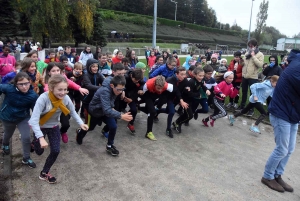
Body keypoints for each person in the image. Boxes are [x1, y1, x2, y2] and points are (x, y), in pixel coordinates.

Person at [29, 74, 88, 184]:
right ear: (51, 88)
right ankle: (33, 144)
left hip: (54, 126)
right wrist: (41, 138)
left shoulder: (65, 98)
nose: (63, 92)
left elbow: (72, 111)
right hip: (40, 127)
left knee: (56, 150)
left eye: (65, 89)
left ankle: (44, 173)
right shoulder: (43, 98)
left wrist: (81, 123)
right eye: (60, 89)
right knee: (39, 152)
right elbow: (33, 120)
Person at [261, 49, 300, 193]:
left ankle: (277, 175)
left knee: (289, 149)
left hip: (293, 114)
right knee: (282, 149)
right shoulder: (297, 66)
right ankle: (267, 176)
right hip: (281, 112)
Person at [77, 75, 132, 156]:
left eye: (122, 89)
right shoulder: (105, 91)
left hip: (105, 111)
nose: (120, 91)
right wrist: (121, 116)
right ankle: (80, 133)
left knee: (113, 126)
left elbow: (109, 105)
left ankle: (109, 146)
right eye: (119, 90)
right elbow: (107, 110)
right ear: (112, 86)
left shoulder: (116, 87)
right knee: (89, 128)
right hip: (95, 112)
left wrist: (114, 108)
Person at [1, 72, 38, 168]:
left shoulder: (33, 96)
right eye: (21, 84)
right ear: (16, 84)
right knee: (8, 134)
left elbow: (35, 111)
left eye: (26, 83)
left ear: (30, 82)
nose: (24, 87)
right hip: (8, 116)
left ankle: (26, 158)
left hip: (23, 118)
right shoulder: (9, 89)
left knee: (26, 137)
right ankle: (5, 144)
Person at [173, 67, 209, 132]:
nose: (201, 77)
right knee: (190, 115)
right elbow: (189, 94)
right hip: (186, 100)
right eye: (200, 75)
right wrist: (198, 94)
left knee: (188, 114)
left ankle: (176, 122)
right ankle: (177, 123)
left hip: (192, 100)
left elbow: (202, 86)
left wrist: (206, 90)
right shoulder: (191, 82)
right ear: (194, 74)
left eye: (203, 75)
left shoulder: (201, 80)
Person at [155, 67, 189, 137]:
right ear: (176, 74)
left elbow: (187, 86)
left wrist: (188, 88)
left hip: (176, 99)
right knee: (172, 112)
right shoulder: (170, 80)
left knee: (168, 111)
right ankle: (168, 129)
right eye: (181, 74)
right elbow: (176, 90)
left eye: (185, 74)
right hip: (168, 98)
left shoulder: (185, 80)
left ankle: (156, 111)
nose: (184, 76)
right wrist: (181, 100)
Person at [139, 75, 173, 140]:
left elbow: (174, 91)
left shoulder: (168, 86)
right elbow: (143, 93)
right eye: (158, 88)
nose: (160, 90)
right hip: (148, 94)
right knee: (152, 112)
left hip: (156, 95)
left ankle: (139, 108)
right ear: (154, 84)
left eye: (161, 88)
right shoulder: (148, 84)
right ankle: (148, 132)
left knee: (162, 100)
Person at [239, 39, 264, 117]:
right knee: (244, 92)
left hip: (253, 77)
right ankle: (242, 106)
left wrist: (253, 56)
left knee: (253, 94)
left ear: (256, 46)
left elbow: (260, 65)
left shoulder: (260, 54)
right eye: (249, 46)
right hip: (245, 76)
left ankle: (251, 109)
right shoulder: (247, 53)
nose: (250, 48)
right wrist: (241, 61)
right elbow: (243, 64)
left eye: (252, 46)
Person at [123, 69, 144, 134]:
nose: (136, 81)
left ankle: (131, 124)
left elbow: (142, 85)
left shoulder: (139, 80)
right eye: (135, 80)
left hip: (132, 96)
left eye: (138, 80)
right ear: (131, 76)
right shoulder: (125, 78)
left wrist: (140, 90)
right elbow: (122, 87)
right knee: (117, 108)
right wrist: (124, 96)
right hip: (122, 95)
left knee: (134, 110)